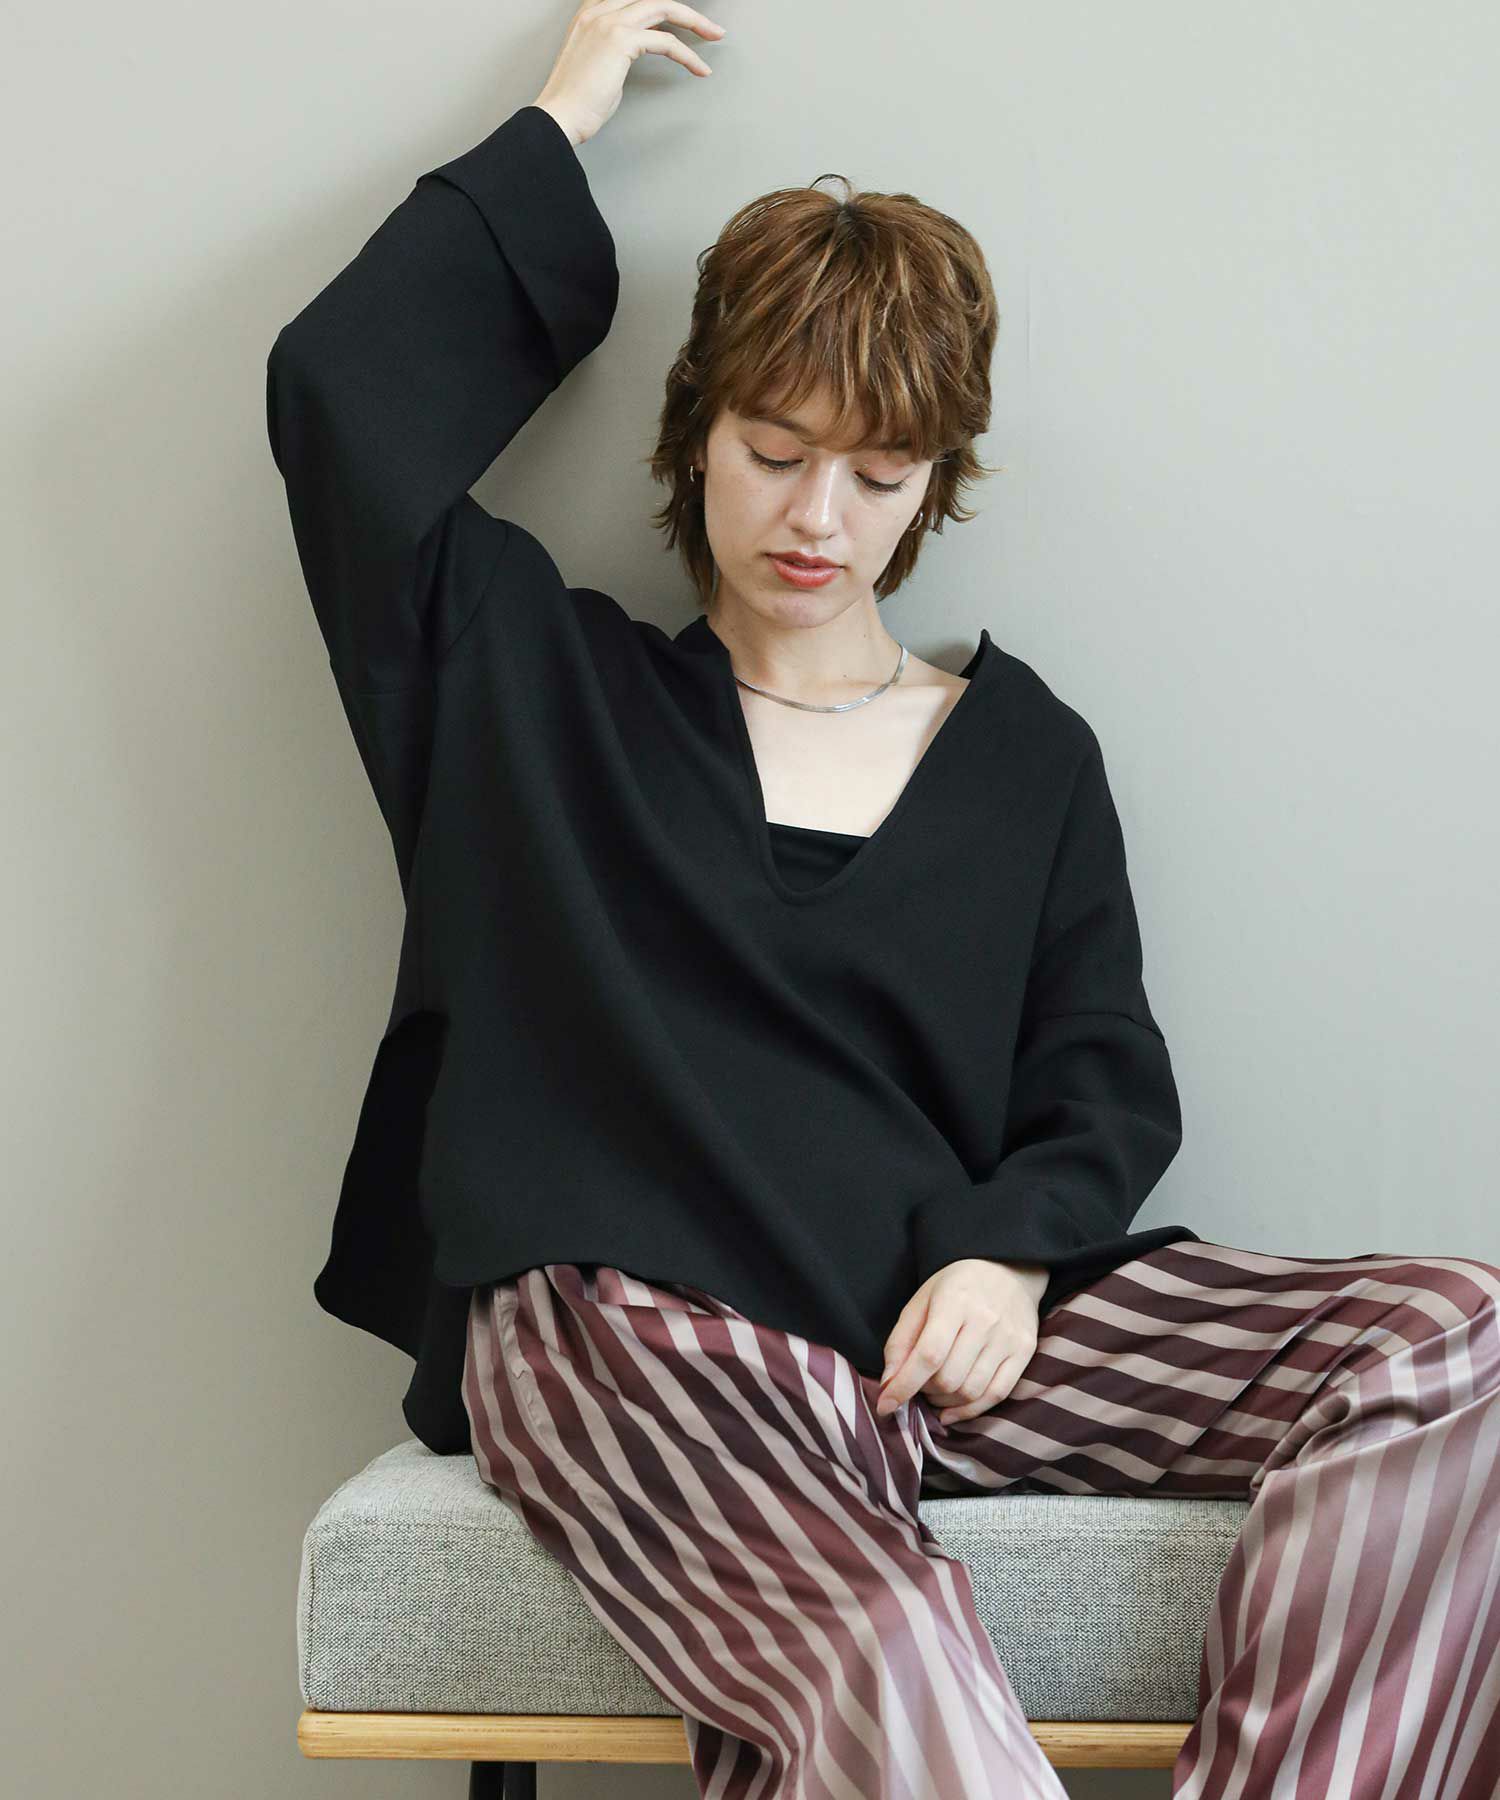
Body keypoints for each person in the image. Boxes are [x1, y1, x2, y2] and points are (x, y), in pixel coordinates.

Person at [266, 5, 1500, 1795]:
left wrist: (1011, 1250)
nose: (818, 519)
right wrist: (563, 118)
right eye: (776, 450)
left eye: (879, 475)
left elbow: (1100, 1079)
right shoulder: (536, 687)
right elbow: (338, 400)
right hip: (631, 1326)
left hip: (931, 1316)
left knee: (1460, 1338)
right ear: (698, 432)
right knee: (887, 1650)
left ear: (935, 486)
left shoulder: (1025, 757)